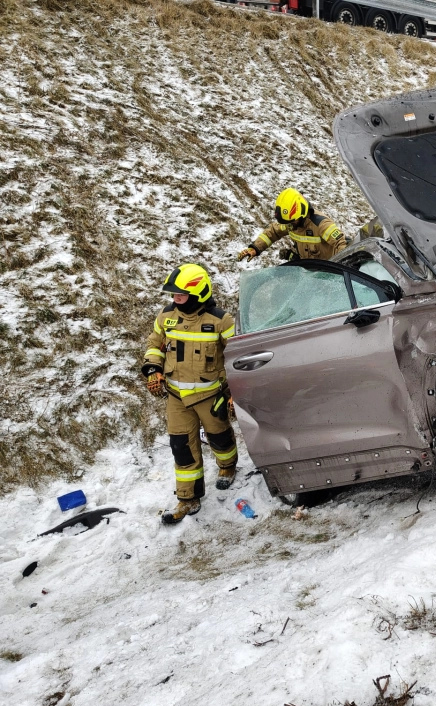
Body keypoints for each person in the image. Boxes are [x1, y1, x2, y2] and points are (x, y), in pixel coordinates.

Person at [141, 263, 238, 525]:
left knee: (220, 438)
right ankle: (188, 498)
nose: (175, 299)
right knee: (181, 448)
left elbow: (236, 357)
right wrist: (153, 369)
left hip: (210, 395)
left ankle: (228, 466)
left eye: (180, 295)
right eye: (173, 295)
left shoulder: (221, 321)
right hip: (176, 397)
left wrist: (235, 393)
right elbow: (154, 343)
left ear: (198, 293)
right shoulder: (165, 316)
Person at [237, 188, 347, 263]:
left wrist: (340, 268)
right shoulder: (291, 223)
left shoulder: (321, 225)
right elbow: (273, 232)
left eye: (291, 222)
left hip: (331, 273)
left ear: (302, 214)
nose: (289, 226)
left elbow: (342, 244)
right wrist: (255, 248)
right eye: (287, 223)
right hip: (312, 272)